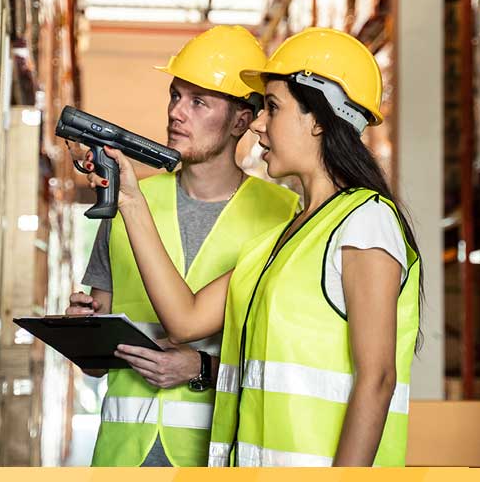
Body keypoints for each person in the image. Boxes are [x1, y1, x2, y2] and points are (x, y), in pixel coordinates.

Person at [96, 27, 421, 466]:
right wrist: (131, 200)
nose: (259, 124)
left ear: (320, 118)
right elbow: (184, 320)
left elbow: (378, 378)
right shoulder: (283, 239)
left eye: (272, 107)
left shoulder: (366, 223)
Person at [63, 26, 298, 467]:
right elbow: (95, 367)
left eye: (198, 102)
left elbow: (287, 360)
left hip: (213, 456)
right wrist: (84, 332)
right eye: (175, 96)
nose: (176, 113)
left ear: (242, 121)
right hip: (121, 459)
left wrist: (201, 369)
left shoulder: (284, 215)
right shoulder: (129, 200)